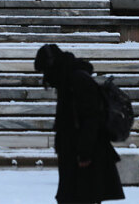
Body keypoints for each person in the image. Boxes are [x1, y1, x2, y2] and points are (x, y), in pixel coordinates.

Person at [34, 44, 124, 204]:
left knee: (80, 197)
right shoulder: (67, 80)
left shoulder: (77, 79)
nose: (45, 77)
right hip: (74, 152)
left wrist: (84, 153)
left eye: (44, 70)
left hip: (85, 155)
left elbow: (91, 117)